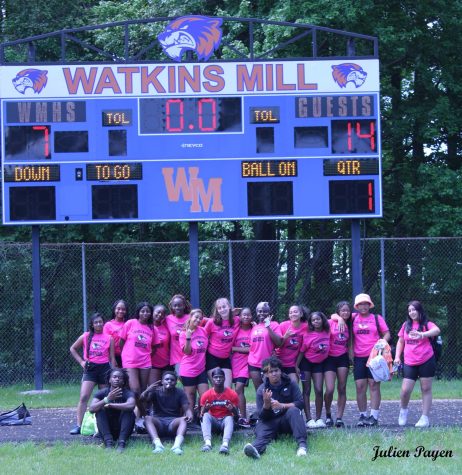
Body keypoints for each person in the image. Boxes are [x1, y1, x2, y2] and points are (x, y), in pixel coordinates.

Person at [243, 356, 307, 459]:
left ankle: (302, 446)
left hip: (287, 421)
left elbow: (300, 403)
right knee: (262, 427)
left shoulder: (291, 384)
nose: (274, 374)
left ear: (281, 371)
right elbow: (262, 416)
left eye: (276, 370)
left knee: (294, 411)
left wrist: (282, 406)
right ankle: (255, 450)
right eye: (270, 372)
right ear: (266, 374)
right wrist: (266, 405)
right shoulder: (262, 389)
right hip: (270, 421)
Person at [394, 300, 441, 428]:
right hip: (409, 362)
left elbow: (437, 330)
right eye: (409, 311)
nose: (412, 312)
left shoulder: (427, 324)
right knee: (405, 390)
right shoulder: (406, 325)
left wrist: (422, 334)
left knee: (426, 389)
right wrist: (397, 356)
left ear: (420, 310)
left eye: (414, 309)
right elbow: (400, 341)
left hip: (426, 360)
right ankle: (403, 411)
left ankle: (424, 418)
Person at [69, 312, 116, 435]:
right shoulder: (86, 336)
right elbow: (72, 348)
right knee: (84, 396)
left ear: (103, 323)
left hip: (105, 370)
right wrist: (81, 362)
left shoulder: (109, 338)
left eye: (100, 321)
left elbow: (112, 358)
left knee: (103, 398)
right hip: (90, 369)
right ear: (92, 324)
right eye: (96, 322)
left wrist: (115, 372)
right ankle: (79, 425)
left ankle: (102, 425)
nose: (99, 324)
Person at [350, 293, 390, 427]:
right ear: (356, 306)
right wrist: (338, 318)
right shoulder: (353, 318)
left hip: (374, 357)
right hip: (359, 357)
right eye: (360, 304)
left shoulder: (376, 318)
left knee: (374, 385)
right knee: (360, 387)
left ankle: (374, 416)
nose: (363, 306)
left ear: (369, 304)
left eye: (365, 303)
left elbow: (387, 333)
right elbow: (334, 317)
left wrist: (382, 342)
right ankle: (363, 415)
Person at [119, 302, 159, 422]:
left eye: (147, 311)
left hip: (145, 363)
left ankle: (138, 418)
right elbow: (121, 342)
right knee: (135, 390)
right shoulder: (130, 323)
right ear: (138, 312)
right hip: (130, 362)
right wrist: (127, 353)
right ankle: (143, 415)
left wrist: (146, 355)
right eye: (143, 311)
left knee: (143, 390)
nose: (145, 313)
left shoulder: (153, 328)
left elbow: (155, 347)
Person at [141, 370, 193, 455]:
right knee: (147, 418)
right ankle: (158, 445)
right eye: (167, 379)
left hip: (172, 423)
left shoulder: (180, 392)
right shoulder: (155, 391)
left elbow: (186, 409)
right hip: (159, 422)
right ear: (162, 381)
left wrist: (189, 415)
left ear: (176, 382)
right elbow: (142, 400)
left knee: (183, 419)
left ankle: (177, 446)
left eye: (172, 380)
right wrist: (147, 390)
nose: (169, 381)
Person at [296, 311, 330, 428]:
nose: (316, 321)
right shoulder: (308, 334)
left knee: (319, 389)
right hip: (306, 364)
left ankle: (319, 418)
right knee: (306, 390)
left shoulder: (327, 332)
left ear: (322, 320)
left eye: (318, 319)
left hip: (319, 364)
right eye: (313, 320)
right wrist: (296, 365)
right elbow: (301, 351)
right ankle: (309, 419)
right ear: (310, 322)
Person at [88, 368, 136, 451]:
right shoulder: (102, 393)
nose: (117, 379)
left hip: (123, 429)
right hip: (106, 430)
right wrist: (107, 399)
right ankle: (108, 443)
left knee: (129, 411)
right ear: (109, 380)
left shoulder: (128, 393)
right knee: (99, 410)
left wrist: (110, 405)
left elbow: (131, 405)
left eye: (120, 378)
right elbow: (91, 409)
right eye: (114, 377)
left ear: (124, 381)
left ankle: (122, 443)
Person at [324, 301, 352, 428]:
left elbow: (350, 343)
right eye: (343, 311)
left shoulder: (350, 324)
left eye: (347, 310)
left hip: (342, 358)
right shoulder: (331, 322)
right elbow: (329, 317)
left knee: (342, 387)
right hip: (329, 357)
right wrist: (339, 318)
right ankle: (328, 414)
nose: (345, 312)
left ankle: (339, 417)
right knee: (329, 389)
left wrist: (352, 358)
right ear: (338, 312)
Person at [200, 367, 239, 454]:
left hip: (225, 422)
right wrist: (205, 410)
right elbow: (201, 417)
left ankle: (225, 445)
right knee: (206, 416)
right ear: (212, 379)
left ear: (224, 378)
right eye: (216, 377)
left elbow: (236, 418)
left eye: (220, 377)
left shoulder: (232, 394)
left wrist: (233, 410)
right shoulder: (206, 395)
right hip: (213, 422)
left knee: (229, 418)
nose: (218, 379)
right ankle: (207, 443)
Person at [204, 297, 240, 388]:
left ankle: (227, 403)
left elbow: (246, 314)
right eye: (219, 308)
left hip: (225, 358)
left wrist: (235, 311)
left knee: (228, 389)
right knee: (218, 388)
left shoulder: (236, 320)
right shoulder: (212, 322)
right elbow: (202, 335)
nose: (222, 309)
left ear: (229, 307)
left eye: (224, 307)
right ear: (217, 310)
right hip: (212, 357)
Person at [179, 308, 209, 414]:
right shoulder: (183, 333)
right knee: (190, 396)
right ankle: (190, 420)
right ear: (190, 317)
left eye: (200, 318)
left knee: (205, 396)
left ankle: (202, 418)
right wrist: (188, 337)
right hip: (188, 369)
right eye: (196, 317)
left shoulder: (203, 331)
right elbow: (187, 352)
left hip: (201, 369)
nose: (198, 320)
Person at [248, 302, 282, 391]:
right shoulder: (254, 327)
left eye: (265, 311)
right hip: (253, 363)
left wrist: (268, 326)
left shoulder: (274, 324)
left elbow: (278, 342)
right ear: (256, 312)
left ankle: (272, 405)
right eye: (259, 311)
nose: (262, 313)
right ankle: (261, 405)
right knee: (259, 390)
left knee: (270, 390)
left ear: (269, 312)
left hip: (268, 363)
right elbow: (252, 347)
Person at [231, 307, 253, 427]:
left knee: (239, 388)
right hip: (235, 363)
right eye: (243, 315)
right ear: (240, 317)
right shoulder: (236, 329)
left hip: (247, 363)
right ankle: (238, 416)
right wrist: (232, 313)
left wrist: (234, 348)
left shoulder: (254, 329)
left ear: (251, 317)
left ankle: (243, 417)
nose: (246, 317)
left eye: (248, 315)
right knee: (238, 390)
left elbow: (252, 349)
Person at [276, 304, 309, 383]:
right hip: (279, 361)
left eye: (295, 312)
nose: (292, 314)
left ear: (301, 314)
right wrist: (285, 336)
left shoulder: (306, 327)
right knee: (279, 386)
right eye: (290, 312)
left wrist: (296, 365)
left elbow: (302, 349)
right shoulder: (283, 325)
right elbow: (278, 345)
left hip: (292, 364)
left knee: (294, 385)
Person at [165, 294, 192, 371]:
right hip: (176, 356)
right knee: (182, 377)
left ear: (184, 306)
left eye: (180, 305)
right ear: (172, 307)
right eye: (175, 305)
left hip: (190, 354)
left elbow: (206, 321)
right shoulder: (168, 319)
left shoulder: (191, 317)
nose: (177, 308)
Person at [149, 304, 172, 384]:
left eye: (163, 314)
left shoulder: (166, 327)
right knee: (153, 389)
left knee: (167, 388)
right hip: (152, 363)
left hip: (166, 362)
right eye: (158, 312)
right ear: (152, 312)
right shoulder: (147, 326)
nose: (160, 315)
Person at [103, 299, 129, 368]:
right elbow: (105, 344)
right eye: (118, 309)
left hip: (127, 357)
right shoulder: (108, 325)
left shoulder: (129, 324)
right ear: (114, 309)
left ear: (126, 311)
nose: (120, 311)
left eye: (123, 309)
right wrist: (112, 359)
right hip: (113, 357)